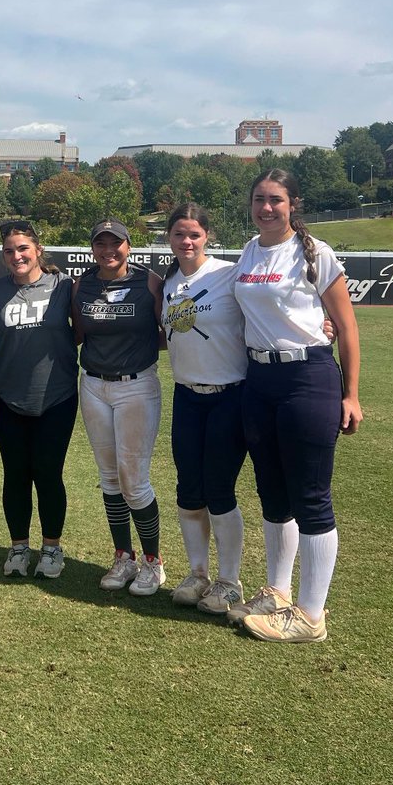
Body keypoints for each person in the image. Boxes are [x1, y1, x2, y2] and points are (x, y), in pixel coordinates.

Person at [231, 168, 362, 643]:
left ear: (293, 204)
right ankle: (277, 594)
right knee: (272, 493)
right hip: (259, 379)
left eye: (276, 200)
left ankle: (310, 615)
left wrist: (351, 394)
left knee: (310, 495)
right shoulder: (248, 250)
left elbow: (345, 327)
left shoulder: (315, 253)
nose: (267, 208)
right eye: (259, 199)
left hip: (307, 377)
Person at [0, 220, 79, 580]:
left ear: (38, 250)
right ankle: (19, 546)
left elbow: (79, 330)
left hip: (57, 394)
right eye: (9, 250)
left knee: (48, 473)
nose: (16, 255)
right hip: (8, 394)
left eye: (23, 248)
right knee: (16, 474)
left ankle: (51, 548)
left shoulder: (64, 285)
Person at [161, 203, 248, 617]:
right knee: (188, 488)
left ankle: (229, 582)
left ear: (207, 236)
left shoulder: (228, 273)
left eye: (194, 233)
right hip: (187, 396)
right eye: (179, 234)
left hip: (229, 395)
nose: (187, 241)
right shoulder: (168, 281)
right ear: (170, 239)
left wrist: (324, 323)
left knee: (219, 489)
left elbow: (272, 307)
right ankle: (198, 575)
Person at [72, 218, 166, 596]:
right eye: (101, 244)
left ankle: (152, 563)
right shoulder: (82, 284)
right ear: (93, 248)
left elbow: (169, 331)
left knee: (134, 479)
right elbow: (78, 333)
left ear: (130, 245)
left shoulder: (148, 282)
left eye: (116, 243)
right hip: (93, 384)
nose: (108, 251)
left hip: (136, 386)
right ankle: (123, 556)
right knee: (109, 477)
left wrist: (137, 351)